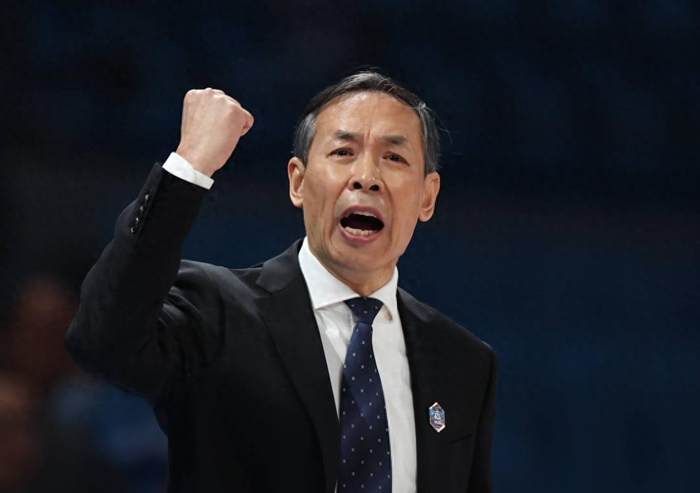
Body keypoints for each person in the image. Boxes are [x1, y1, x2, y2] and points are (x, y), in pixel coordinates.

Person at [66, 71, 497, 493]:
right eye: (343, 152)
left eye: (394, 158)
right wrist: (190, 163)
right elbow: (102, 341)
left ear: (427, 196)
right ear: (298, 182)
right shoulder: (218, 313)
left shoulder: (462, 362)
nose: (366, 176)